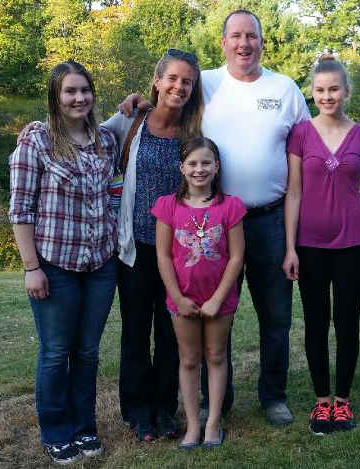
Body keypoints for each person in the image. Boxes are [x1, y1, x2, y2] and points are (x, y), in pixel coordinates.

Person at [122, 8, 310, 426]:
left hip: (267, 221)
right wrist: (135, 102)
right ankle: (213, 401)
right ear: (223, 42)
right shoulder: (204, 82)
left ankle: (273, 395)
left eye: (252, 36)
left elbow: (307, 148)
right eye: (236, 36)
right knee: (207, 309)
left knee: (276, 314)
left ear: (262, 41)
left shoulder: (285, 89)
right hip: (205, 222)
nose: (245, 44)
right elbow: (166, 92)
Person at [9, 61, 118, 465]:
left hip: (100, 265)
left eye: (85, 90)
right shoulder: (36, 142)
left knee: (87, 352)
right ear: (56, 97)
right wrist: (30, 267)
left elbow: (129, 117)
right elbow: (20, 210)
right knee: (56, 351)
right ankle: (56, 432)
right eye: (70, 91)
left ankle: (84, 428)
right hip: (54, 265)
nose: (79, 98)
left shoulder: (105, 139)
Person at [102, 49, 203, 442]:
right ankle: (137, 409)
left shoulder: (193, 132)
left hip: (178, 253)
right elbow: (82, 129)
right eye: (173, 79)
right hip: (135, 248)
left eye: (187, 82)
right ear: (157, 81)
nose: (179, 87)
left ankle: (164, 407)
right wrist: (38, 128)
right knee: (136, 328)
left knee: (171, 331)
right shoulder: (129, 121)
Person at [283, 56, 360, 435]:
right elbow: (293, 193)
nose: (328, 96)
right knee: (315, 323)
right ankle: (321, 402)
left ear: (346, 91)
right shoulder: (300, 135)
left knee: (347, 323)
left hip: (353, 244)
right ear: (312, 92)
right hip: (309, 246)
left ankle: (342, 402)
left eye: (334, 89)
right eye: (321, 90)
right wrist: (290, 247)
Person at [152, 137, 245, 449]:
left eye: (206, 162)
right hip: (183, 299)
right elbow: (163, 255)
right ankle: (193, 424)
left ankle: (214, 423)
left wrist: (218, 297)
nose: (199, 169)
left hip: (220, 298)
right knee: (190, 358)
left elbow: (236, 256)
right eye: (192, 163)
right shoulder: (168, 206)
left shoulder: (230, 206)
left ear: (216, 167)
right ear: (181, 168)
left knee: (216, 356)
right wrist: (177, 297)